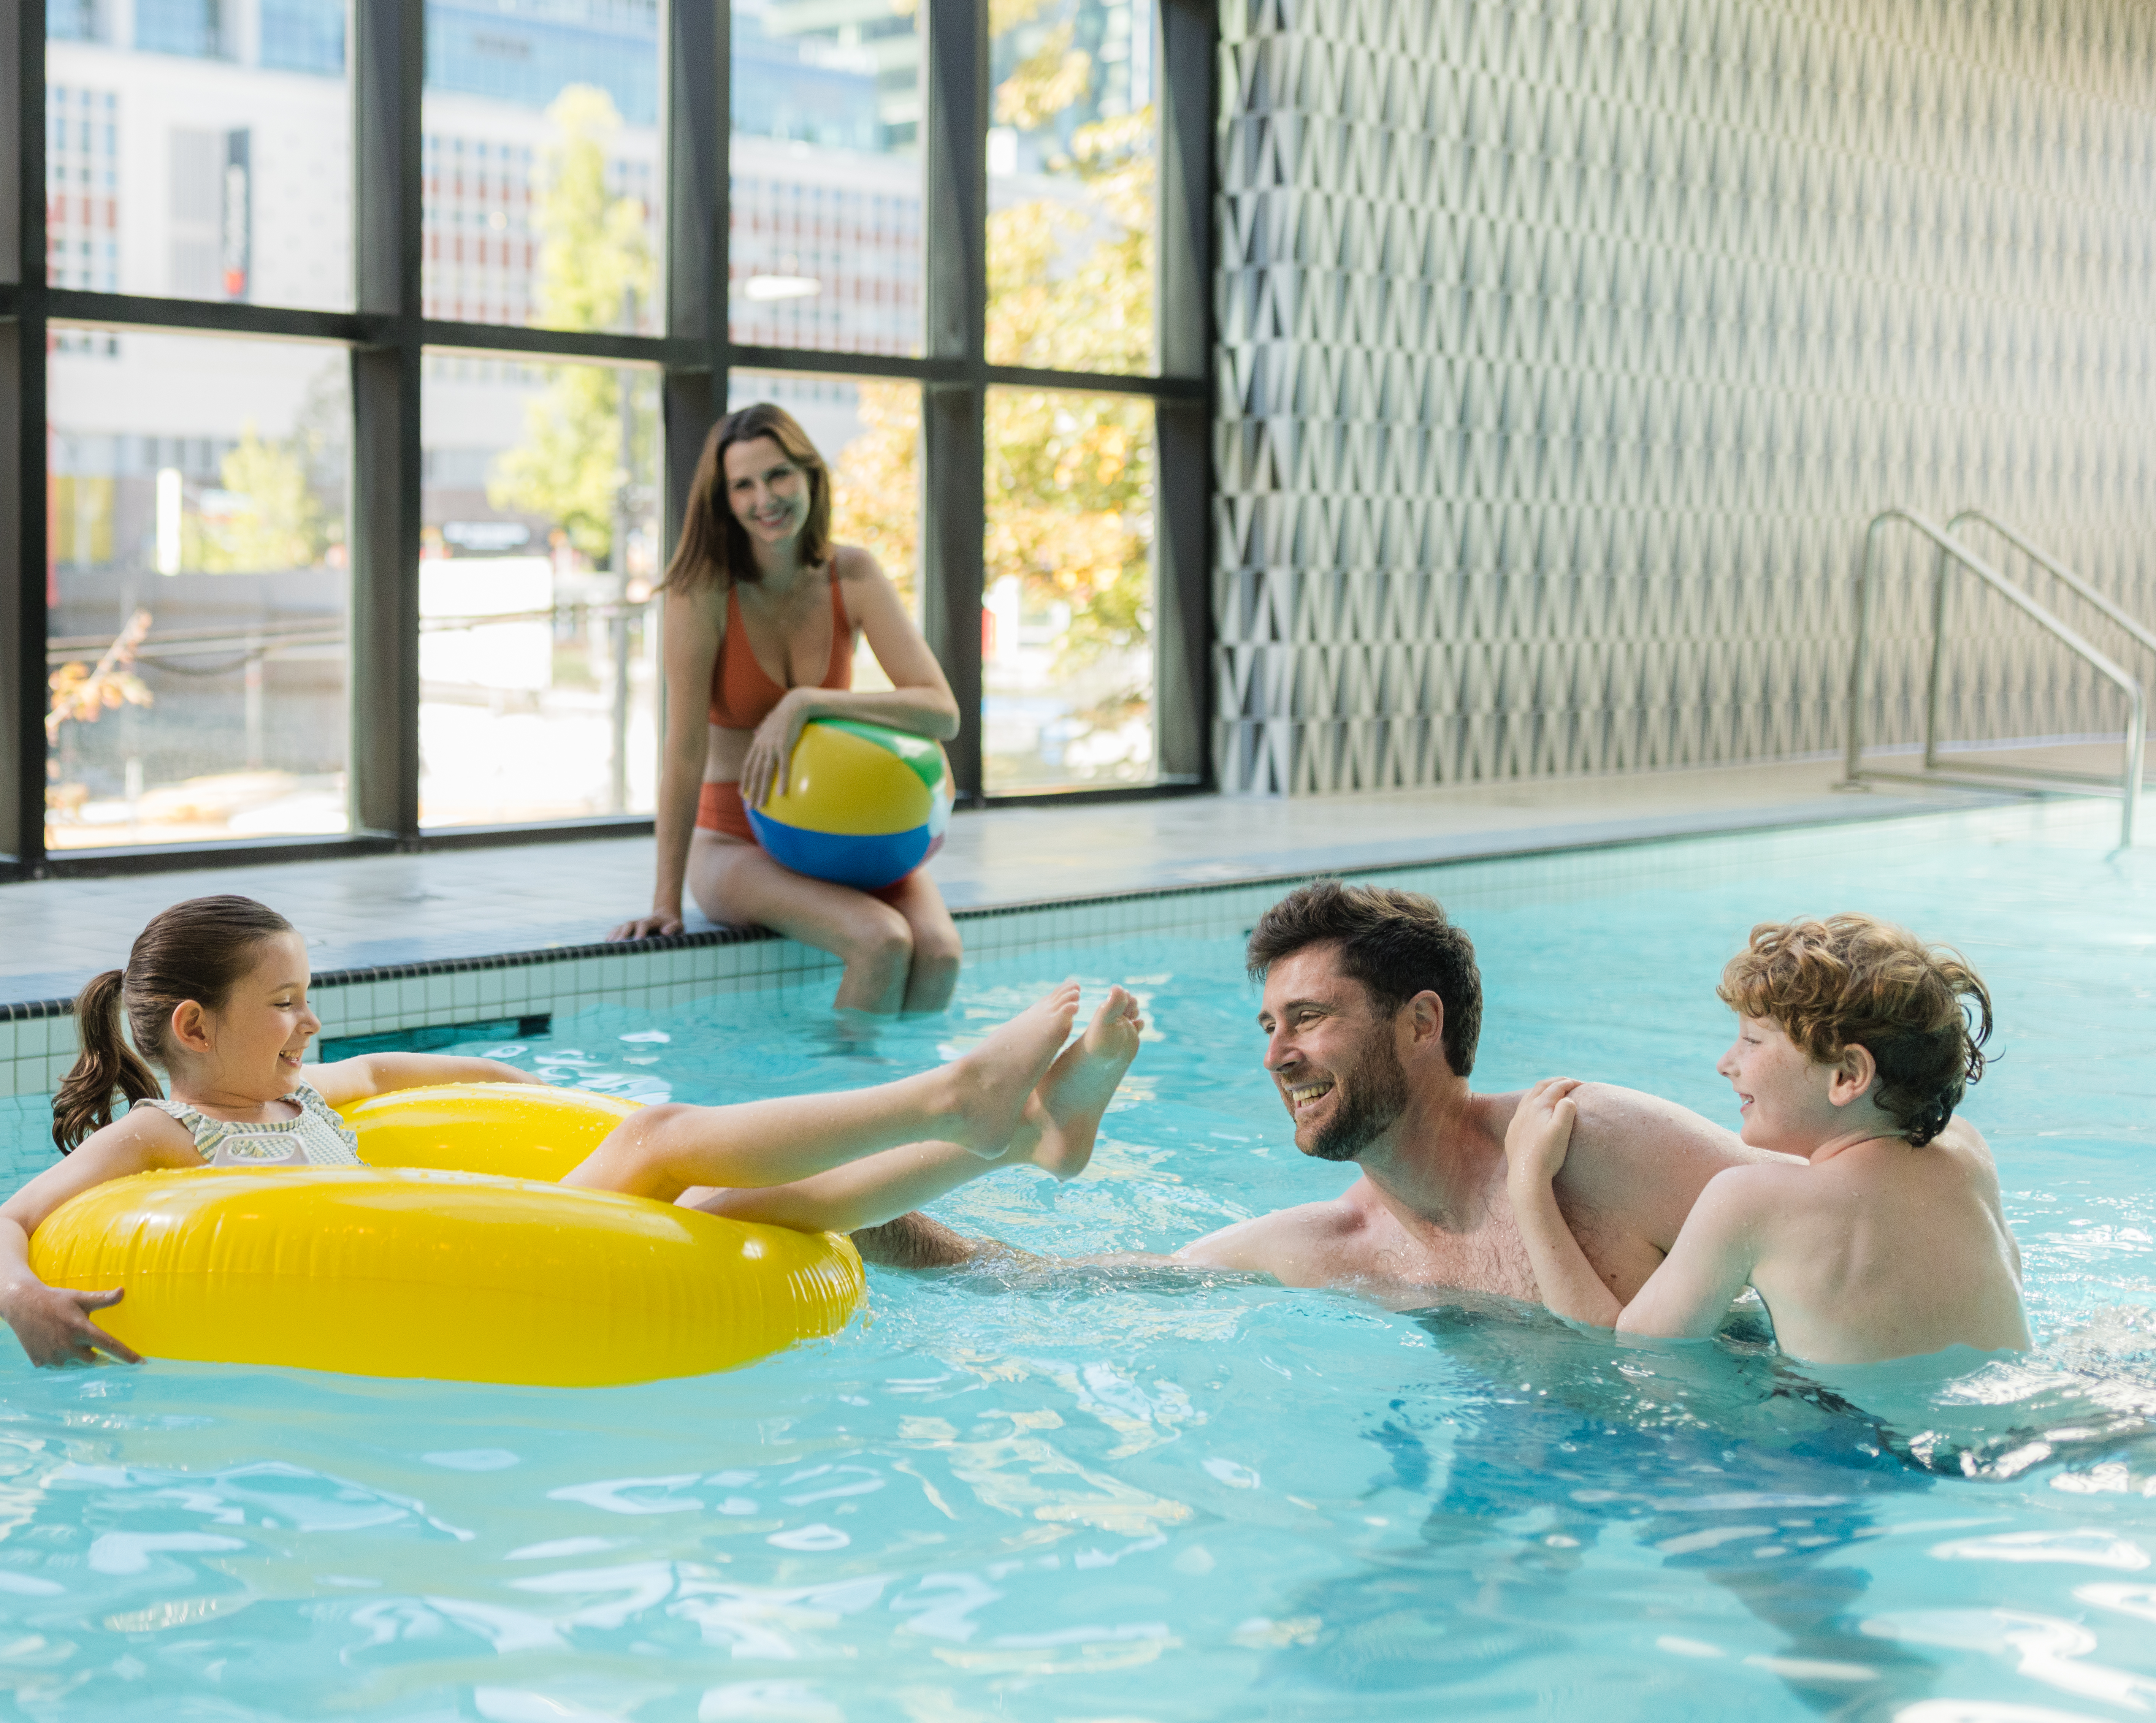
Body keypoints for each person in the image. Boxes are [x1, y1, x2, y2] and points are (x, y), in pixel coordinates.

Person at [0, 895, 1148, 1365]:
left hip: (490, 1235)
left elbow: (413, 1071)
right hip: (447, 1267)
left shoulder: (304, 1094)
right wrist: (23, 1296)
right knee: (662, 1137)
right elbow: (5, 1224)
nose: (308, 1021)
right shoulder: (165, 1141)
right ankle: (949, 1098)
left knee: (751, 1207)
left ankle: (1012, 1139)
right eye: (282, 1004)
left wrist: (507, 1086)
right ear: (192, 1027)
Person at [858, 879, 1769, 1288]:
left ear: (1420, 1023)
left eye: (1307, 1018)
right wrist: (850, 1209)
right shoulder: (1329, 1247)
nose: (1275, 1057)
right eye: (1268, 1026)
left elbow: (1832, 1214)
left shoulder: (1585, 1138)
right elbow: (1044, 1282)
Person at [1506, 914, 2028, 1364]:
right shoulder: (1968, 1153)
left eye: (1752, 1041)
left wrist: (1529, 1189)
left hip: (1852, 1457)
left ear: (1847, 1075)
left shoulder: (1751, 1202)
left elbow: (1624, 1351)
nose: (1726, 1064)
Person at [607, 404, 964, 1015]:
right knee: (880, 942)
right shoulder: (703, 591)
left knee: (938, 952)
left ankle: (915, 1098)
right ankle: (847, 1104)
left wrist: (807, 701)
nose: (764, 498)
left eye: (778, 476)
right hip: (736, 840)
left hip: (848, 831)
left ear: (810, 477)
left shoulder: (851, 574)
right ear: (723, 500)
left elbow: (942, 713)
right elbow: (684, 749)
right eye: (742, 485)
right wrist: (666, 901)